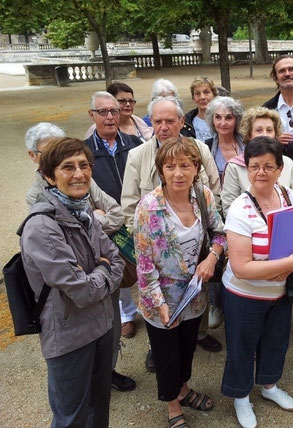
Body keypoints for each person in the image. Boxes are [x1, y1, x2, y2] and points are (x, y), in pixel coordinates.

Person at [20, 137, 124, 427]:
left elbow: (115, 257)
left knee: (99, 407)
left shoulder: (83, 211)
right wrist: (103, 270)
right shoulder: (42, 226)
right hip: (70, 335)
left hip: (101, 325)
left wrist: (99, 270)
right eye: (68, 167)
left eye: (84, 166)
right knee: (72, 417)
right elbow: (82, 291)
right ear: (48, 175)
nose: (79, 174)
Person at [221, 137, 293, 428]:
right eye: (254, 166)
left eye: (268, 166)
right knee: (242, 346)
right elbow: (240, 267)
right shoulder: (239, 209)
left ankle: (269, 386)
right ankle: (240, 396)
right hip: (244, 295)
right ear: (246, 169)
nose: (261, 172)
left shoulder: (287, 194)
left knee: (277, 341)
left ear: (279, 168)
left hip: (280, 291)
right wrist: (287, 265)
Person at [133, 137, 226, 428]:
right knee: (166, 355)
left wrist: (211, 257)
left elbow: (220, 233)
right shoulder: (148, 207)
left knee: (187, 350)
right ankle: (173, 405)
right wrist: (159, 305)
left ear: (196, 167)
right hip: (161, 298)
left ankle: (183, 388)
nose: (178, 173)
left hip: (195, 295)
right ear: (161, 170)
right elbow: (144, 266)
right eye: (170, 166)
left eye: (185, 165)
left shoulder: (203, 196)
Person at [121, 96, 223, 357]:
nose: (164, 126)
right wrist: (149, 235)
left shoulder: (200, 149)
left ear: (181, 121)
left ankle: (198, 333)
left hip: (196, 236)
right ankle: (160, 346)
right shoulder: (137, 155)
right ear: (151, 123)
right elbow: (130, 204)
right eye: (157, 121)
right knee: (164, 323)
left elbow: (213, 189)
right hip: (157, 250)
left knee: (196, 292)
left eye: (170, 120)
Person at [84, 91, 139, 390]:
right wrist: (104, 215)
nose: (109, 117)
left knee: (147, 281)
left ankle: (157, 346)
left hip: (135, 224)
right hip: (104, 236)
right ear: (91, 115)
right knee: (111, 296)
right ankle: (107, 367)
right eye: (102, 111)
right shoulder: (83, 152)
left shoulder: (135, 144)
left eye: (114, 111)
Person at [221, 106, 293, 217]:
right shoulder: (234, 167)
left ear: (275, 135)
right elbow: (228, 208)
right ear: (249, 135)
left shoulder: (288, 163)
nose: (265, 134)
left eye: (269, 130)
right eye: (259, 130)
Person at [85, 82, 153, 142]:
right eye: (122, 101)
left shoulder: (139, 122)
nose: (128, 104)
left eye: (131, 101)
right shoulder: (95, 130)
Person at [204, 96, 245, 180]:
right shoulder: (207, 146)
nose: (223, 123)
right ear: (212, 120)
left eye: (228, 117)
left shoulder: (247, 143)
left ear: (237, 120)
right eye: (218, 117)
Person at [181, 76, 218, 141]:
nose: (202, 97)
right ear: (193, 98)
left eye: (206, 92)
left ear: (214, 95)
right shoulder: (186, 122)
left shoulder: (223, 119)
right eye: (197, 94)